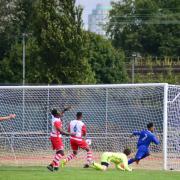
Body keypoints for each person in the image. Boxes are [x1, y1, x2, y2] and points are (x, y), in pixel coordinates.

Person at [47, 107, 74, 172]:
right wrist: (70, 134)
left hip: (55, 136)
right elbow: (61, 131)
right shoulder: (56, 121)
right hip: (56, 137)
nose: (59, 112)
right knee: (61, 153)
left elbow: (60, 114)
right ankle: (51, 165)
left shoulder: (55, 117)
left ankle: (56, 167)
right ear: (56, 114)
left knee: (58, 152)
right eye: (58, 111)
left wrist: (64, 110)